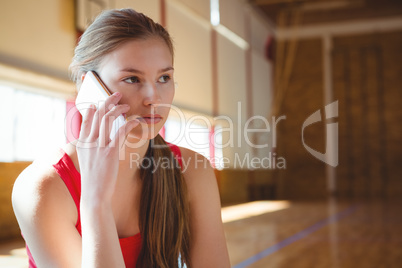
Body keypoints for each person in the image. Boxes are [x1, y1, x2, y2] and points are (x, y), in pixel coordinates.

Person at [12, 8, 230, 268]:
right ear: (90, 88)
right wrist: (95, 203)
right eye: (132, 78)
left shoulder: (192, 171)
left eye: (164, 77)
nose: (154, 97)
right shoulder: (42, 188)